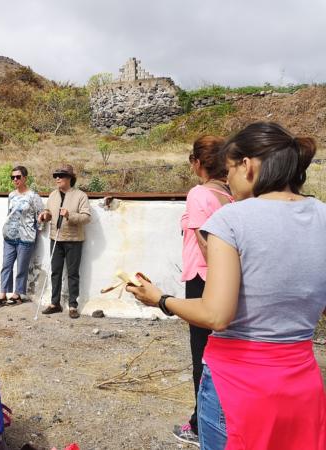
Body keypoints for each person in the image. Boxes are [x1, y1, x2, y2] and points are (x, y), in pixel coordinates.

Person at [127, 122, 326, 449]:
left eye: (231, 169)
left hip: (238, 385)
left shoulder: (231, 219)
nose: (228, 179)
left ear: (247, 167)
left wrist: (160, 299)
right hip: (302, 380)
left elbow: (216, 314)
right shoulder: (321, 215)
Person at [173, 135, 234, 446]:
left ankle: (201, 425)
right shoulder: (233, 194)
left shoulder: (199, 193)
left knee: (203, 354)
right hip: (228, 280)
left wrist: (216, 280)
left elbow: (204, 241)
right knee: (225, 352)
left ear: (198, 163)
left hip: (203, 278)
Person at [37, 164, 91, 319]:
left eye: (61, 175)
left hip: (74, 240)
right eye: (56, 176)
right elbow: (48, 212)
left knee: (73, 273)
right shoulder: (53, 195)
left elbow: (86, 217)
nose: (57, 178)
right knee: (55, 272)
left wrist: (69, 215)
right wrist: (45, 216)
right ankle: (55, 303)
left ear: (70, 178)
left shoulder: (80, 195)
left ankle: (73, 305)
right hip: (55, 238)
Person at [0, 166, 44, 308]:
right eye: (13, 177)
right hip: (10, 235)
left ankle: (17, 294)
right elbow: (9, 213)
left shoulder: (33, 196)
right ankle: (3, 293)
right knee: (6, 266)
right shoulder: (11, 195)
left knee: (21, 267)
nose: (15, 179)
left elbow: (41, 215)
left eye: (18, 177)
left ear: (25, 178)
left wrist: (36, 231)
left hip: (26, 237)